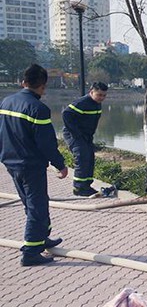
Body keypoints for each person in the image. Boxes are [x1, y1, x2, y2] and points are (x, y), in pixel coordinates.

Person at [0, 64, 68, 266]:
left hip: (11, 162)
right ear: (43, 86)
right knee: (37, 206)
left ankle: (41, 238)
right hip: (30, 165)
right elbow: (46, 143)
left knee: (31, 203)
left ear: (23, 82)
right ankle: (31, 252)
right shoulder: (38, 109)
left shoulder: (6, 102)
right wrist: (60, 165)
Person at [62, 82, 108, 196]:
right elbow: (66, 114)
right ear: (91, 92)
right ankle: (79, 188)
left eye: (104, 95)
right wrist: (76, 134)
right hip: (74, 135)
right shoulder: (82, 103)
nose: (102, 98)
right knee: (82, 157)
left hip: (86, 136)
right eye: (99, 95)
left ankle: (86, 185)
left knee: (89, 157)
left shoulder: (97, 103)